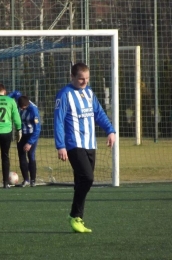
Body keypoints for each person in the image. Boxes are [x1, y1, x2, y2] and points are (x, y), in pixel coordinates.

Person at [54, 62, 116, 233]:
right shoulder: (64, 95)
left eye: (87, 78)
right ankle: (75, 216)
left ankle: (77, 219)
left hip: (90, 144)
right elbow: (58, 121)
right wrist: (60, 146)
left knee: (82, 182)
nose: (84, 82)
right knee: (88, 178)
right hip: (73, 145)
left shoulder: (89, 93)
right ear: (72, 77)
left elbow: (99, 113)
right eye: (81, 79)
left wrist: (110, 130)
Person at [16, 95, 41, 187]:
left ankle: (33, 180)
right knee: (21, 156)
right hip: (21, 135)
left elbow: (37, 129)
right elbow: (16, 93)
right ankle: (26, 179)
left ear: (27, 105)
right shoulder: (20, 101)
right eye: (20, 108)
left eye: (24, 108)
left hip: (31, 135)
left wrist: (30, 143)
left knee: (30, 155)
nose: (22, 109)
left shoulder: (34, 111)